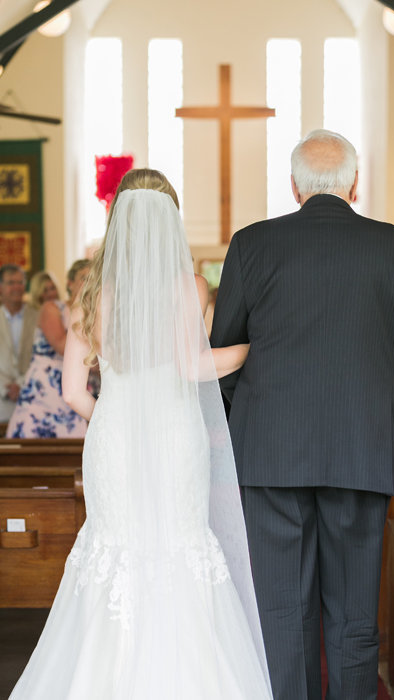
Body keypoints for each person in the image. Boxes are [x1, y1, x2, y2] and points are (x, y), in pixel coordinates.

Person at [9, 169, 272, 699]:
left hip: (114, 438)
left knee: (115, 549)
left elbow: (73, 392)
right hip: (176, 436)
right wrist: (256, 348)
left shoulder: (94, 294)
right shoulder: (189, 287)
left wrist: (113, 415)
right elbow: (192, 365)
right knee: (178, 544)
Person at [210, 129, 394, 700]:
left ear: (294, 186)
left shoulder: (251, 244)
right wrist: (371, 417)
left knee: (283, 612)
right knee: (355, 613)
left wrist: (260, 415)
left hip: (270, 455)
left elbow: (225, 351)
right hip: (359, 452)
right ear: (354, 185)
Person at [6, 260, 89, 438]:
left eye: (94, 278)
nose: (89, 283)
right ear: (70, 283)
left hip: (81, 387)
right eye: (84, 278)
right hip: (46, 389)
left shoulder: (96, 313)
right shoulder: (52, 308)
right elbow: (61, 345)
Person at [0, 264, 38, 422]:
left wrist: (21, 384)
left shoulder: (38, 317)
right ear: (0, 287)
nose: (17, 287)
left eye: (20, 282)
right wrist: (5, 387)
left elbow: (41, 356)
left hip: (32, 398)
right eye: (10, 283)